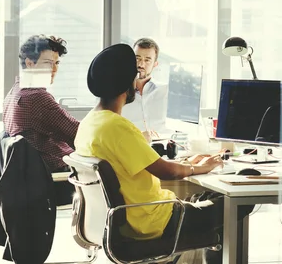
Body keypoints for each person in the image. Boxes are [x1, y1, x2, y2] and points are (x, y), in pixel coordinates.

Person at [75, 44, 251, 263]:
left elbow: (146, 162)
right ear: (126, 83)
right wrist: (199, 167)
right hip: (154, 221)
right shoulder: (117, 127)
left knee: (205, 201)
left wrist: (189, 163)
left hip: (125, 221)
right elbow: (166, 171)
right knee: (236, 203)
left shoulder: (89, 123)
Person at [3, 34, 78, 204]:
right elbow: (78, 133)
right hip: (54, 182)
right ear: (30, 63)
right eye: (47, 63)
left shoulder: (15, 92)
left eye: (56, 63)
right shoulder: (36, 97)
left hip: (31, 180)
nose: (54, 70)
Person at [122, 37, 168, 141]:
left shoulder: (166, 92)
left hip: (163, 146)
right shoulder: (118, 95)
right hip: (131, 147)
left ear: (155, 64)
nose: (140, 64)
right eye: (137, 58)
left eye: (147, 60)